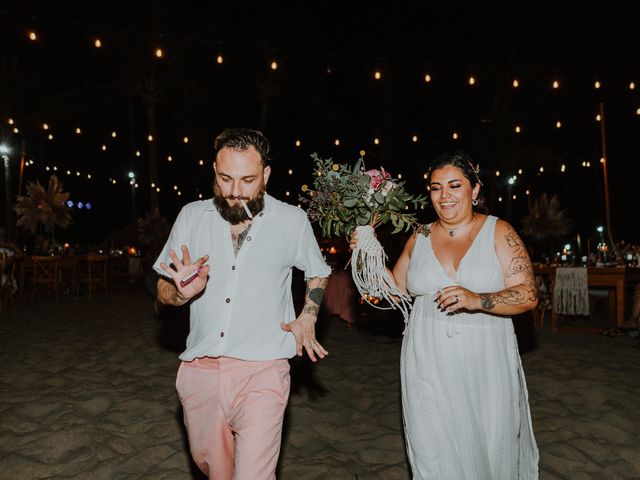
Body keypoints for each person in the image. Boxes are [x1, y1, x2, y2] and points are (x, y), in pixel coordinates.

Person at [153, 128, 331, 479]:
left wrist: (308, 315)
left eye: (247, 180)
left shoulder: (292, 220)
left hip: (264, 369)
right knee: (214, 469)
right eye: (225, 178)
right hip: (200, 369)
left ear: (266, 174)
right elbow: (162, 289)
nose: (235, 191)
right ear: (214, 172)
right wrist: (179, 292)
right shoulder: (192, 216)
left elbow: (318, 272)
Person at [351, 150, 539, 479]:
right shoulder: (419, 235)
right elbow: (389, 292)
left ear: (475, 190)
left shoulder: (498, 231)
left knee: (489, 443)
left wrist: (477, 298)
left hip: (484, 359)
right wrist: (366, 251)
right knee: (432, 448)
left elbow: (527, 294)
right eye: (436, 188)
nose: (444, 196)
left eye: (454, 185)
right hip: (425, 359)